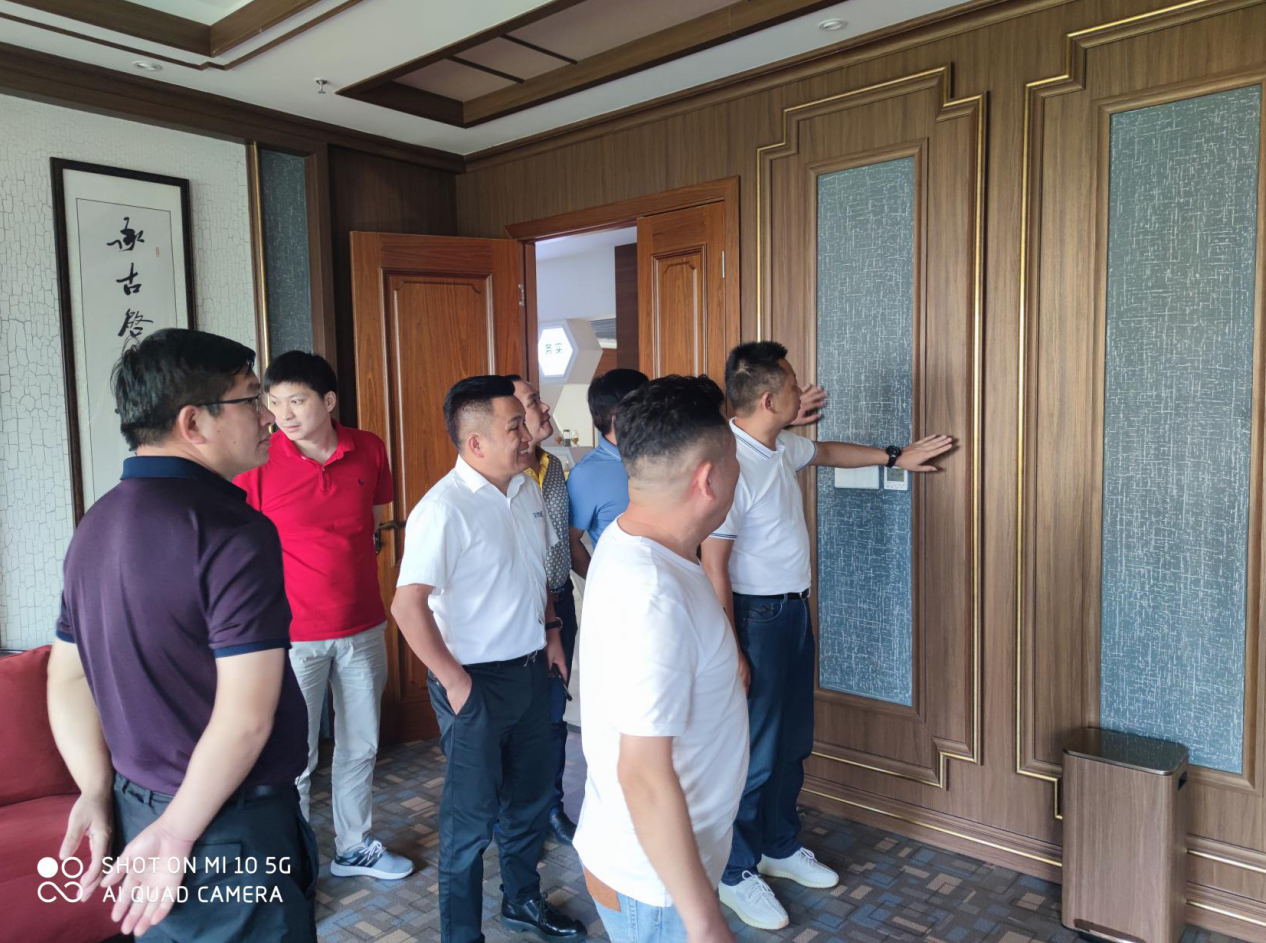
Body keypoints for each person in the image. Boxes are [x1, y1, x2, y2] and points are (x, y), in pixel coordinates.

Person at [47, 328, 316, 942]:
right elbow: (246, 719)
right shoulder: (232, 532)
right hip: (224, 826)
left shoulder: (96, 524)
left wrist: (96, 788)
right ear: (193, 422)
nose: (270, 418)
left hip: (138, 812)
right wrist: (176, 831)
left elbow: (66, 676)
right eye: (252, 400)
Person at [701, 341, 953, 930]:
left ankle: (778, 845)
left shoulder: (779, 446)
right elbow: (714, 566)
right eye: (793, 385)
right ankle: (734, 870)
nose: (803, 392)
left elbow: (828, 451)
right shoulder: (729, 464)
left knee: (792, 740)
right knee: (755, 751)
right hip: (754, 618)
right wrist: (731, 648)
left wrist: (897, 456)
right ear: (769, 399)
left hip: (792, 612)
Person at [390, 375, 587, 943]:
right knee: (470, 822)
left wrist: (552, 632)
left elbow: (538, 571)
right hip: (474, 683)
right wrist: (456, 685)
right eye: (515, 427)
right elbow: (407, 606)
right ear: (475, 443)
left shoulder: (526, 489)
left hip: (532, 672)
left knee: (528, 804)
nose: (527, 435)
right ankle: (461, 934)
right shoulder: (443, 509)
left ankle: (522, 901)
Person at [574, 374, 746, 943]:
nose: (740, 474)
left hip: (658, 864)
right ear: (708, 478)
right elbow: (643, 773)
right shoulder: (653, 592)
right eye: (736, 461)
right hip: (654, 884)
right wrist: (705, 922)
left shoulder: (634, 540)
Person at [234, 350, 412, 881]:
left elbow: (371, 525)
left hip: (363, 625)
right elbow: (240, 545)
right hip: (292, 635)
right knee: (296, 754)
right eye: (274, 402)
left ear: (328, 401)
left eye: (296, 401)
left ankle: (353, 847)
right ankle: (292, 858)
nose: (282, 415)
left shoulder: (370, 448)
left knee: (361, 744)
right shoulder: (259, 460)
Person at [509, 374, 579, 846]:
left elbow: (566, 543)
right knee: (517, 717)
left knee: (555, 712)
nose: (545, 408)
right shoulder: (500, 478)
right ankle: (515, 815)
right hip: (517, 612)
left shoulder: (554, 466)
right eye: (533, 402)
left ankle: (551, 807)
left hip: (559, 602)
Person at [565, 368, 648, 575]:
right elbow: (570, 540)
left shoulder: (663, 454)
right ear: (617, 413)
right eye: (645, 403)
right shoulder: (586, 474)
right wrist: (600, 584)